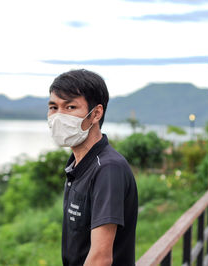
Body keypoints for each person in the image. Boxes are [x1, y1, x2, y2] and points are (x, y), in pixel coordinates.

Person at [47, 69, 138, 266]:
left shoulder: (107, 169)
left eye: (70, 107)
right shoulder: (78, 164)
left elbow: (100, 258)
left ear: (96, 113)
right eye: (54, 107)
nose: (58, 116)